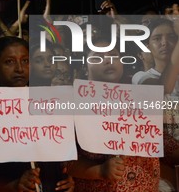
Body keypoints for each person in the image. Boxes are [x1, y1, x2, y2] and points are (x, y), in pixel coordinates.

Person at [0, 36, 74, 192]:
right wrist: (10, 186)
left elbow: (61, 157)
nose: (20, 68)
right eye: (9, 62)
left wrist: (67, 178)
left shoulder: (48, 103)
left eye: (25, 61)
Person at [66, 35, 160, 192]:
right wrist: (99, 170)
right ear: (84, 65)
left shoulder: (139, 96)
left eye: (113, 55)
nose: (108, 61)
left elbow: (160, 140)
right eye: (98, 57)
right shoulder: (72, 103)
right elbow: (63, 160)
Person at [131, 17, 179, 190]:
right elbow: (163, 88)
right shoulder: (141, 78)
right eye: (157, 39)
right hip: (164, 169)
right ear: (148, 46)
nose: (165, 43)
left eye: (172, 37)